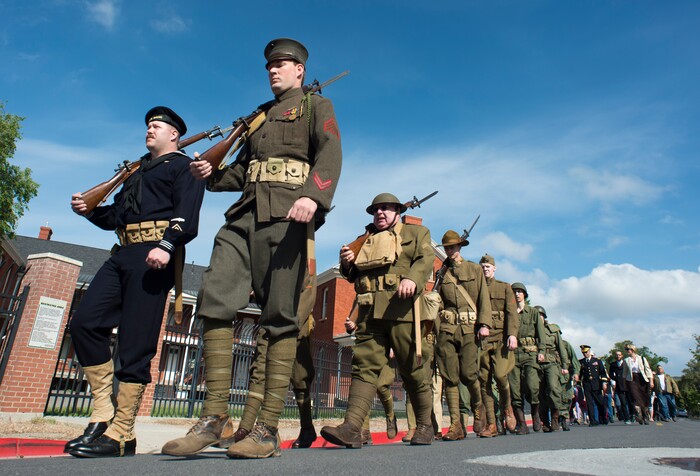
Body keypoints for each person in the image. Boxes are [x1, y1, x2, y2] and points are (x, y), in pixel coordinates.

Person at [162, 38, 342, 459]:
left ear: (300, 69)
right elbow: (244, 170)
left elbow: (330, 153)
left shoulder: (317, 107)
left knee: (279, 316)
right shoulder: (259, 117)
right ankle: (213, 418)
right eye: (270, 66)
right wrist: (213, 172)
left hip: (287, 214)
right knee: (215, 298)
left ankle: (265, 429)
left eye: (282, 64)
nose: (274, 71)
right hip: (243, 216)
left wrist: (312, 196)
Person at [67, 107, 205, 457]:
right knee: (85, 323)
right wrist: (89, 210)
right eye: (147, 125)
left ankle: (122, 432)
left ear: (173, 134)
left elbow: (187, 215)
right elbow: (117, 214)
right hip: (122, 253)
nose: (149, 129)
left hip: (155, 257)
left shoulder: (183, 167)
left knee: (135, 342)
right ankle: (104, 414)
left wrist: (167, 245)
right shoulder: (137, 171)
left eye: (156, 125)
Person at [320, 193, 435, 447]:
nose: (379, 213)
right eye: (375, 210)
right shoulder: (366, 240)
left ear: (397, 211)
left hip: (402, 311)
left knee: (413, 370)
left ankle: (425, 426)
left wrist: (413, 279)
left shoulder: (417, 234)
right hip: (370, 313)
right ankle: (351, 428)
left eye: (385, 208)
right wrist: (347, 262)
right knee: (363, 368)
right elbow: (352, 275)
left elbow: (426, 261)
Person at [432, 231, 492, 441]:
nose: (450, 250)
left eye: (453, 247)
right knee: (450, 377)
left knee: (468, 374)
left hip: (469, 329)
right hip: (448, 329)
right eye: (447, 248)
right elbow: (436, 301)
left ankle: (478, 408)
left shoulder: (474, 269)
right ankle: (456, 425)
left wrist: (484, 324)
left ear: (460, 247)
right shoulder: (442, 272)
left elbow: (484, 298)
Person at [477, 254, 519, 437]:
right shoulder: (475, 288)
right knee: (484, 381)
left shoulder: (504, 288)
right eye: (483, 266)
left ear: (494, 269)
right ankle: (492, 424)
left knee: (501, 376)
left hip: (501, 338)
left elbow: (511, 313)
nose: (485, 269)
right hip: (482, 340)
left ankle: (507, 407)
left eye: (488, 266)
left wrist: (512, 335)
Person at [509, 282, 545, 435]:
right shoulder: (509, 312)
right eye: (515, 292)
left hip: (530, 353)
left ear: (524, 294)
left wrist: (541, 350)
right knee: (515, 391)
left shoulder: (533, 312)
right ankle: (522, 424)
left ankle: (536, 413)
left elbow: (540, 333)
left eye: (520, 291)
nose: (517, 294)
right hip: (513, 355)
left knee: (532, 386)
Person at [535, 306, 569, 432]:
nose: (539, 318)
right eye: (537, 316)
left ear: (544, 317)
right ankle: (545, 421)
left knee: (553, 389)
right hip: (536, 364)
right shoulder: (531, 331)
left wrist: (565, 365)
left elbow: (561, 349)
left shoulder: (553, 330)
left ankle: (555, 417)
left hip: (552, 363)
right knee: (540, 393)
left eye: (541, 316)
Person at [578, 345, 609, 426]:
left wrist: (604, 383)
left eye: (586, 352)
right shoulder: (581, 362)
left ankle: (603, 418)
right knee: (589, 403)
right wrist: (578, 382)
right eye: (583, 353)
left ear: (589, 352)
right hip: (587, 384)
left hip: (596, 384)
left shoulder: (597, 361)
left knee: (600, 402)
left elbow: (603, 373)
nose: (585, 354)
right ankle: (592, 421)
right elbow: (580, 374)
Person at [622, 344, 654, 424]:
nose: (627, 351)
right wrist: (624, 383)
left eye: (628, 349)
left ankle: (645, 416)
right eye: (626, 350)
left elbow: (648, 370)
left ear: (632, 350)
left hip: (642, 379)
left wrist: (651, 381)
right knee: (635, 398)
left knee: (643, 399)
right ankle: (638, 414)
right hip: (632, 380)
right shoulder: (626, 360)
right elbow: (624, 373)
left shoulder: (642, 358)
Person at [559, 338, 580, 430]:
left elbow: (574, 359)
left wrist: (576, 373)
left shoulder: (565, 344)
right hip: (550, 375)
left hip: (565, 376)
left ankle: (563, 419)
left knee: (566, 398)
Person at [608, 350, 633, 424]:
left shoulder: (626, 363)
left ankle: (632, 415)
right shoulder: (613, 365)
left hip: (627, 385)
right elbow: (611, 374)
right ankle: (627, 418)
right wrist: (616, 378)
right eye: (616, 355)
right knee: (623, 403)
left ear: (622, 356)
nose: (618, 356)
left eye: (619, 355)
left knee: (630, 401)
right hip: (619, 385)